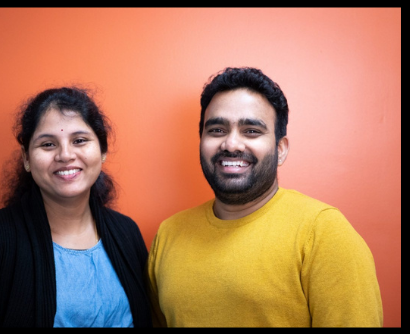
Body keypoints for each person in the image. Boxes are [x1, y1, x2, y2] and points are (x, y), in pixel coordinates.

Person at [146, 67, 383, 327]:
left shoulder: (324, 233)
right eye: (216, 130)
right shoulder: (169, 234)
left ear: (280, 150)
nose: (231, 144)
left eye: (251, 131)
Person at [0, 86, 152, 327]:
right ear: (27, 158)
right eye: (48, 144)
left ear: (102, 151)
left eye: (79, 140)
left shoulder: (127, 233)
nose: (65, 155)